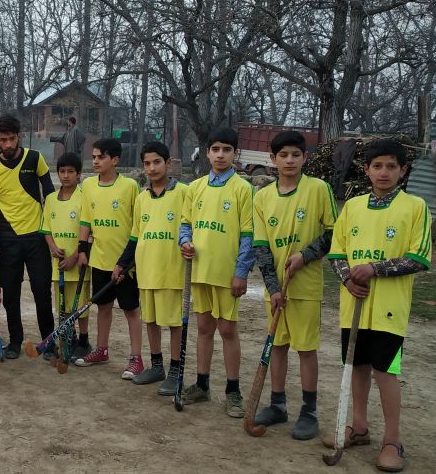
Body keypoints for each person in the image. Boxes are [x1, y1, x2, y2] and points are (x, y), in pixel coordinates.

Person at [324, 139, 430, 472]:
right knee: (356, 366)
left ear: (403, 170)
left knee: (386, 371)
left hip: (389, 308)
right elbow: (337, 253)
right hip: (353, 304)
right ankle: (358, 427)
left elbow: (419, 258)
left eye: (391, 166)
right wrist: (347, 279)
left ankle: (392, 440)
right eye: (377, 166)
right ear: (366, 170)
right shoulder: (352, 207)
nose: (383, 172)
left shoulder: (415, 207)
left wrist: (374, 269)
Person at [251, 131, 337, 440]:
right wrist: (273, 288)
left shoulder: (319, 189)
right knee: (278, 345)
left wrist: (306, 255)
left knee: (305, 348)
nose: (289, 160)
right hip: (277, 291)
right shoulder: (261, 197)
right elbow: (261, 248)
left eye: (295, 155)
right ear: (272, 159)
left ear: (305, 158)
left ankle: (309, 411)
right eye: (283, 155)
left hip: (306, 286)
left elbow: (332, 233)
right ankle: (277, 405)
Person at [178, 127, 255, 418]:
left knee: (227, 330)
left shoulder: (243, 189)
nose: (220, 155)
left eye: (226, 149)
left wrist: (241, 272)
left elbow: (248, 235)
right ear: (207, 152)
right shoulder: (195, 188)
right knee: (204, 328)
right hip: (199, 273)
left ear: (235, 154)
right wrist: (184, 242)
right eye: (215, 149)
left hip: (227, 274)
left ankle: (233, 390)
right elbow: (185, 225)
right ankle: (201, 384)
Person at [0, 113, 55, 359]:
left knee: (42, 291)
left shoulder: (35, 158)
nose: (9, 144)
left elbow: (51, 196)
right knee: (10, 294)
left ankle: (48, 343)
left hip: (36, 237)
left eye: (12, 139)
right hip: (7, 238)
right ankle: (15, 341)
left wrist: (54, 231)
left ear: (19, 136)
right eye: (3, 140)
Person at [113, 142, 187, 393]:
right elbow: (135, 236)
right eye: (147, 163)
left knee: (174, 322)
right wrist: (122, 263)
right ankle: (157, 366)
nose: (152, 168)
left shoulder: (183, 193)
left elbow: (190, 229)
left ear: (168, 163)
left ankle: (176, 370)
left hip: (173, 272)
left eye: (157, 162)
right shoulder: (142, 198)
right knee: (151, 320)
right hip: (147, 272)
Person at [74, 139, 143, 378]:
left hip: (125, 263)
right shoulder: (88, 185)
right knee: (103, 307)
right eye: (93, 157)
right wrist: (83, 250)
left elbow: (137, 224)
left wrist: (126, 261)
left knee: (131, 309)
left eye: (101, 157)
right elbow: (86, 220)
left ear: (115, 160)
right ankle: (101, 350)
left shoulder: (130, 186)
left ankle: (136, 358)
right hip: (99, 260)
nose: (95, 161)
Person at [41, 152, 92, 361]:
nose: (66, 175)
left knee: (79, 304)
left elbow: (89, 230)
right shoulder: (51, 199)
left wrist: (76, 255)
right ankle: (67, 339)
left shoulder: (84, 198)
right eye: (62, 171)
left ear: (78, 174)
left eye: (71, 171)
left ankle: (84, 340)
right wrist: (53, 247)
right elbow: (46, 229)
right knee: (61, 303)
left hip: (77, 261)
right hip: (58, 263)